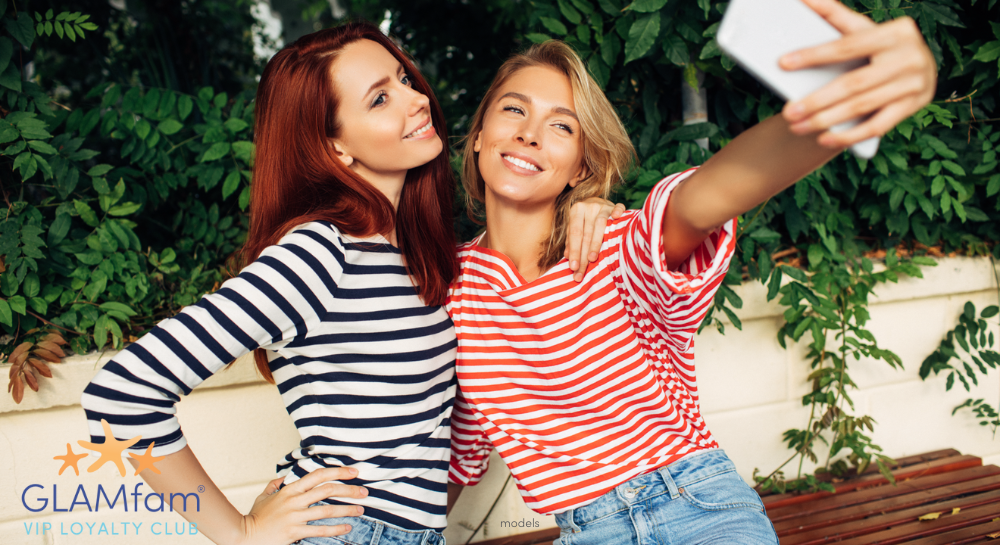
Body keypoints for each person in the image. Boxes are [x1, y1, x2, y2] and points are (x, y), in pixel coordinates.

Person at [79, 21, 619, 545]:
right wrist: (239, 533)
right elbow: (123, 392)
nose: (415, 100)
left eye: (404, 80)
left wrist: (589, 207)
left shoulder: (418, 256)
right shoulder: (319, 252)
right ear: (335, 146)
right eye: (379, 99)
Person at [445, 1, 936, 543]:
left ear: (581, 166)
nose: (530, 134)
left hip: (697, 507)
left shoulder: (617, 247)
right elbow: (452, 461)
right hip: (586, 532)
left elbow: (708, 198)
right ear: (478, 134)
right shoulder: (454, 296)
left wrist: (845, 107)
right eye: (514, 110)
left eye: (561, 125)